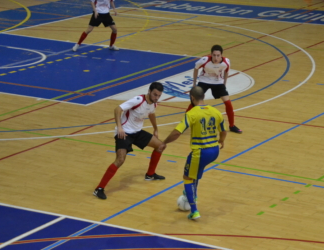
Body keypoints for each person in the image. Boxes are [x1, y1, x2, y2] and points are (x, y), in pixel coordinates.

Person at [159, 86, 227, 220]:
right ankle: (193, 195)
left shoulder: (191, 113)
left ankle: (194, 211)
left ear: (192, 98)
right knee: (195, 173)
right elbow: (223, 131)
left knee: (187, 177)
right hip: (214, 151)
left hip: (200, 152)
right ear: (203, 96)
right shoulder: (215, 111)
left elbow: (177, 132)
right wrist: (221, 140)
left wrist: (164, 142)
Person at [94, 82, 166, 200]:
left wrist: (156, 129)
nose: (156, 98)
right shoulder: (138, 100)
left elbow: (151, 114)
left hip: (137, 132)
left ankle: (150, 174)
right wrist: (119, 127)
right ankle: (99, 189)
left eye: (159, 95)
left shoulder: (153, 104)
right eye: (154, 95)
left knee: (161, 146)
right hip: (124, 133)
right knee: (120, 160)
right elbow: (117, 109)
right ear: (149, 91)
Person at [186, 45, 242, 134]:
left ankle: (232, 126)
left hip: (218, 82)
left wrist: (224, 84)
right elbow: (196, 69)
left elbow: (226, 71)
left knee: (228, 103)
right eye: (214, 55)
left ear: (221, 55)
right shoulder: (204, 60)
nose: (216, 58)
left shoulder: (226, 62)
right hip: (204, 80)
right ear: (211, 54)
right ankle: (185, 123)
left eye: (218, 55)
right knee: (194, 102)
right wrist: (194, 84)